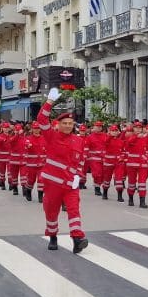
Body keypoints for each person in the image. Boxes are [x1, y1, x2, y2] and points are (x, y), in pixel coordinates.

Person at [36, 89, 88, 253]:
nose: (67, 126)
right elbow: (41, 119)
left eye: (70, 124)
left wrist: (78, 177)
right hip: (53, 184)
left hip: (70, 184)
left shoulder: (79, 140)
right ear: (58, 124)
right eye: (64, 123)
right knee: (51, 212)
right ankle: (52, 236)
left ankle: (77, 238)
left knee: (74, 210)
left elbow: (80, 162)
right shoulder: (51, 136)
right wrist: (50, 102)